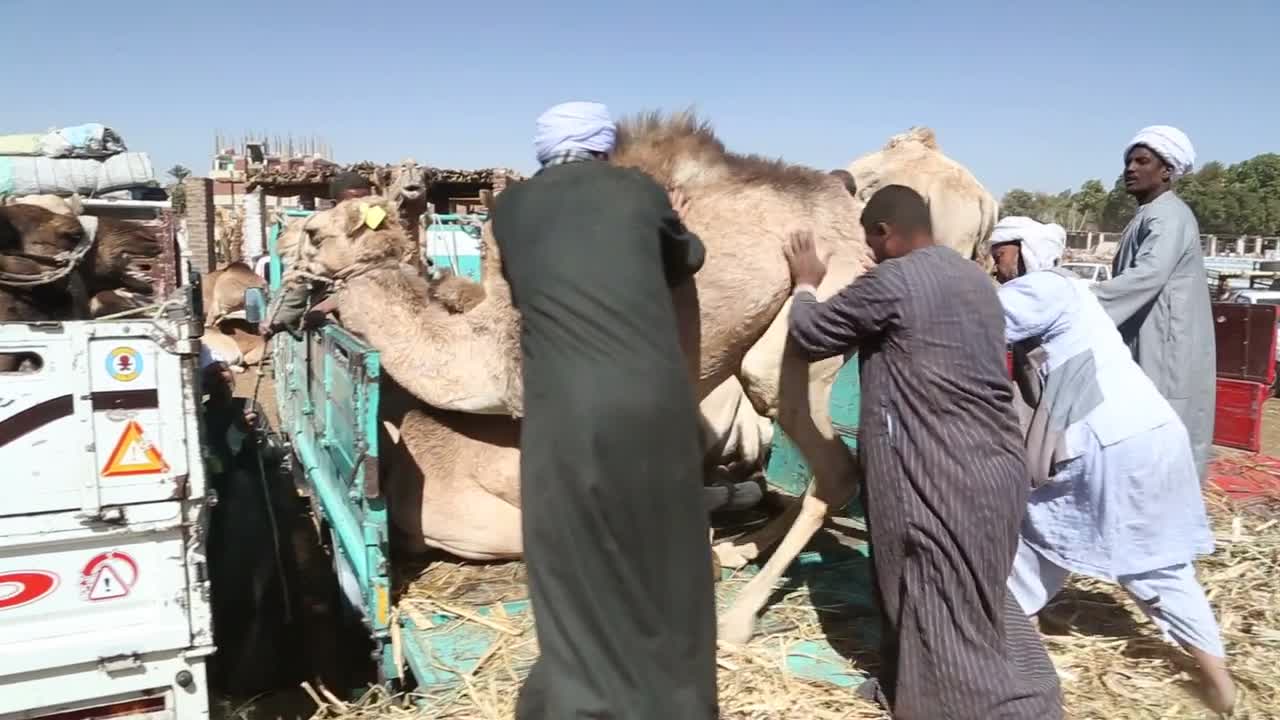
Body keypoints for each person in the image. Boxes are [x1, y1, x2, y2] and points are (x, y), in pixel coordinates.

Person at [783, 185, 1062, 719]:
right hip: (997, 465)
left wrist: (805, 284)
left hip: (936, 470)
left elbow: (812, 333)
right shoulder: (975, 281)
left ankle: (983, 706)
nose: (869, 254)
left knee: (931, 592)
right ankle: (914, 687)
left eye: (870, 242)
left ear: (887, 232)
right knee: (968, 593)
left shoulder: (895, 280)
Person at [488, 101, 717, 720]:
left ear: (543, 151)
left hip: (564, 411)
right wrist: (672, 219)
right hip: (654, 406)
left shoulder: (507, 209)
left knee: (570, 556)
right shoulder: (640, 194)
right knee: (666, 551)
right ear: (605, 146)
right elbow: (686, 260)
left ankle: (581, 699)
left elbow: (524, 284)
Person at [991, 216, 1235, 714]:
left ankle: (1023, 647)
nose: (994, 265)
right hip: (1147, 434)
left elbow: (970, 322)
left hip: (1111, 443)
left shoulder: (1041, 288)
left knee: (1129, 555)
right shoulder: (1074, 291)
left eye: (998, 253)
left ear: (1020, 250)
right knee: (1048, 532)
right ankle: (1218, 679)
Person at [1091, 126, 1215, 483]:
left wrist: (1083, 302)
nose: (1130, 168)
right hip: (1145, 337)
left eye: (1142, 161)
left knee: (1164, 425)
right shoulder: (1146, 216)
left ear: (1167, 171)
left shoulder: (1168, 216)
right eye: (1129, 160)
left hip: (1166, 343)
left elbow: (1149, 274)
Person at [260, 171, 373, 339]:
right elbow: (302, 278)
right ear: (336, 205)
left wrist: (331, 303)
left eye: (365, 201)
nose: (358, 207)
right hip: (344, 317)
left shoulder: (383, 231)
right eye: (351, 201)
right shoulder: (325, 235)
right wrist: (277, 319)